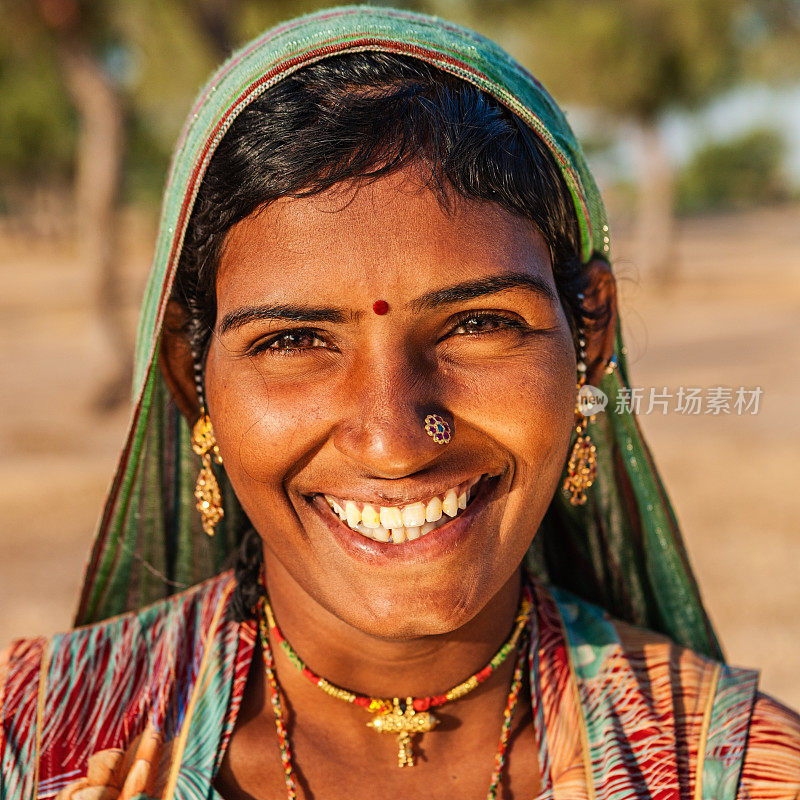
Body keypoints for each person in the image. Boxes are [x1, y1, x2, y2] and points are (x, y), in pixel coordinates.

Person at [2, 7, 798, 799]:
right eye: (294, 341)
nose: (394, 441)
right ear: (190, 376)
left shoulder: (735, 773)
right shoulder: (30, 745)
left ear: (589, 337)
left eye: (478, 324)